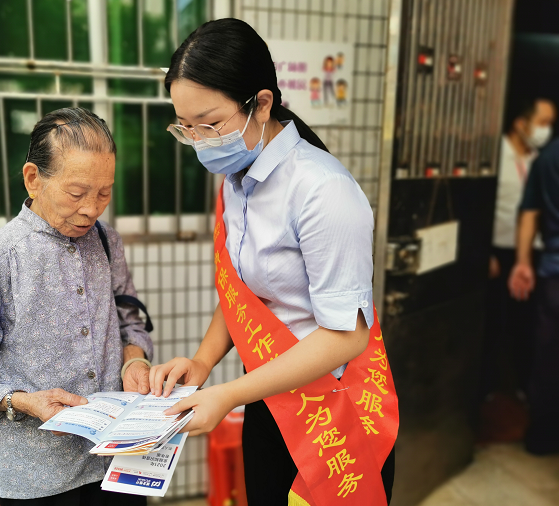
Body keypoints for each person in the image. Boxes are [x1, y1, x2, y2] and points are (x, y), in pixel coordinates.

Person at [149, 19, 397, 505]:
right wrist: (202, 362)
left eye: (210, 124)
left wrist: (227, 394)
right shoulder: (236, 180)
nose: (199, 141)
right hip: (269, 397)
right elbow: (243, 296)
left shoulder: (323, 191)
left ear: (261, 104)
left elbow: (346, 335)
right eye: (186, 127)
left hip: (333, 410)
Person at [0, 108, 153, 505]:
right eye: (77, 193)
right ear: (33, 179)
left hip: (115, 460)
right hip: (36, 479)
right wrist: (23, 402)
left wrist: (134, 361)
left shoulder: (106, 241)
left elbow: (128, 320)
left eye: (104, 193)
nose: (92, 208)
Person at [480, 98, 555, 417]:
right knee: (493, 322)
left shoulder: (541, 159)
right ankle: (485, 388)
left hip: (532, 253)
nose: (546, 130)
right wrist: (483, 252)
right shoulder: (495, 155)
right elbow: (480, 206)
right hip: (499, 251)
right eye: (542, 122)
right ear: (520, 123)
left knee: (527, 324)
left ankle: (524, 387)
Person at [509, 136, 559, 455]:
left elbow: (529, 213)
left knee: (549, 358)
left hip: (554, 274)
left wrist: (523, 262)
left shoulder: (548, 157)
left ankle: (542, 436)